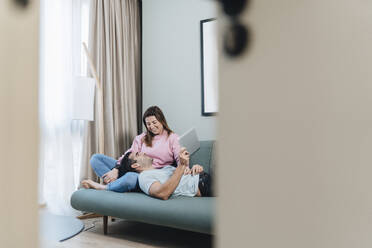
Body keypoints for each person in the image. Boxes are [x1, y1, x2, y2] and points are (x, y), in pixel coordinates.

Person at [82, 106, 188, 192]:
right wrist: (116, 169)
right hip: (130, 167)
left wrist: (184, 167)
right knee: (96, 159)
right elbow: (129, 154)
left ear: (161, 121)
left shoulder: (172, 138)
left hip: (148, 176)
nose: (151, 126)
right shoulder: (142, 137)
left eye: (154, 122)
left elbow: (180, 158)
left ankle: (106, 187)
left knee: (130, 177)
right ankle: (119, 184)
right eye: (148, 124)